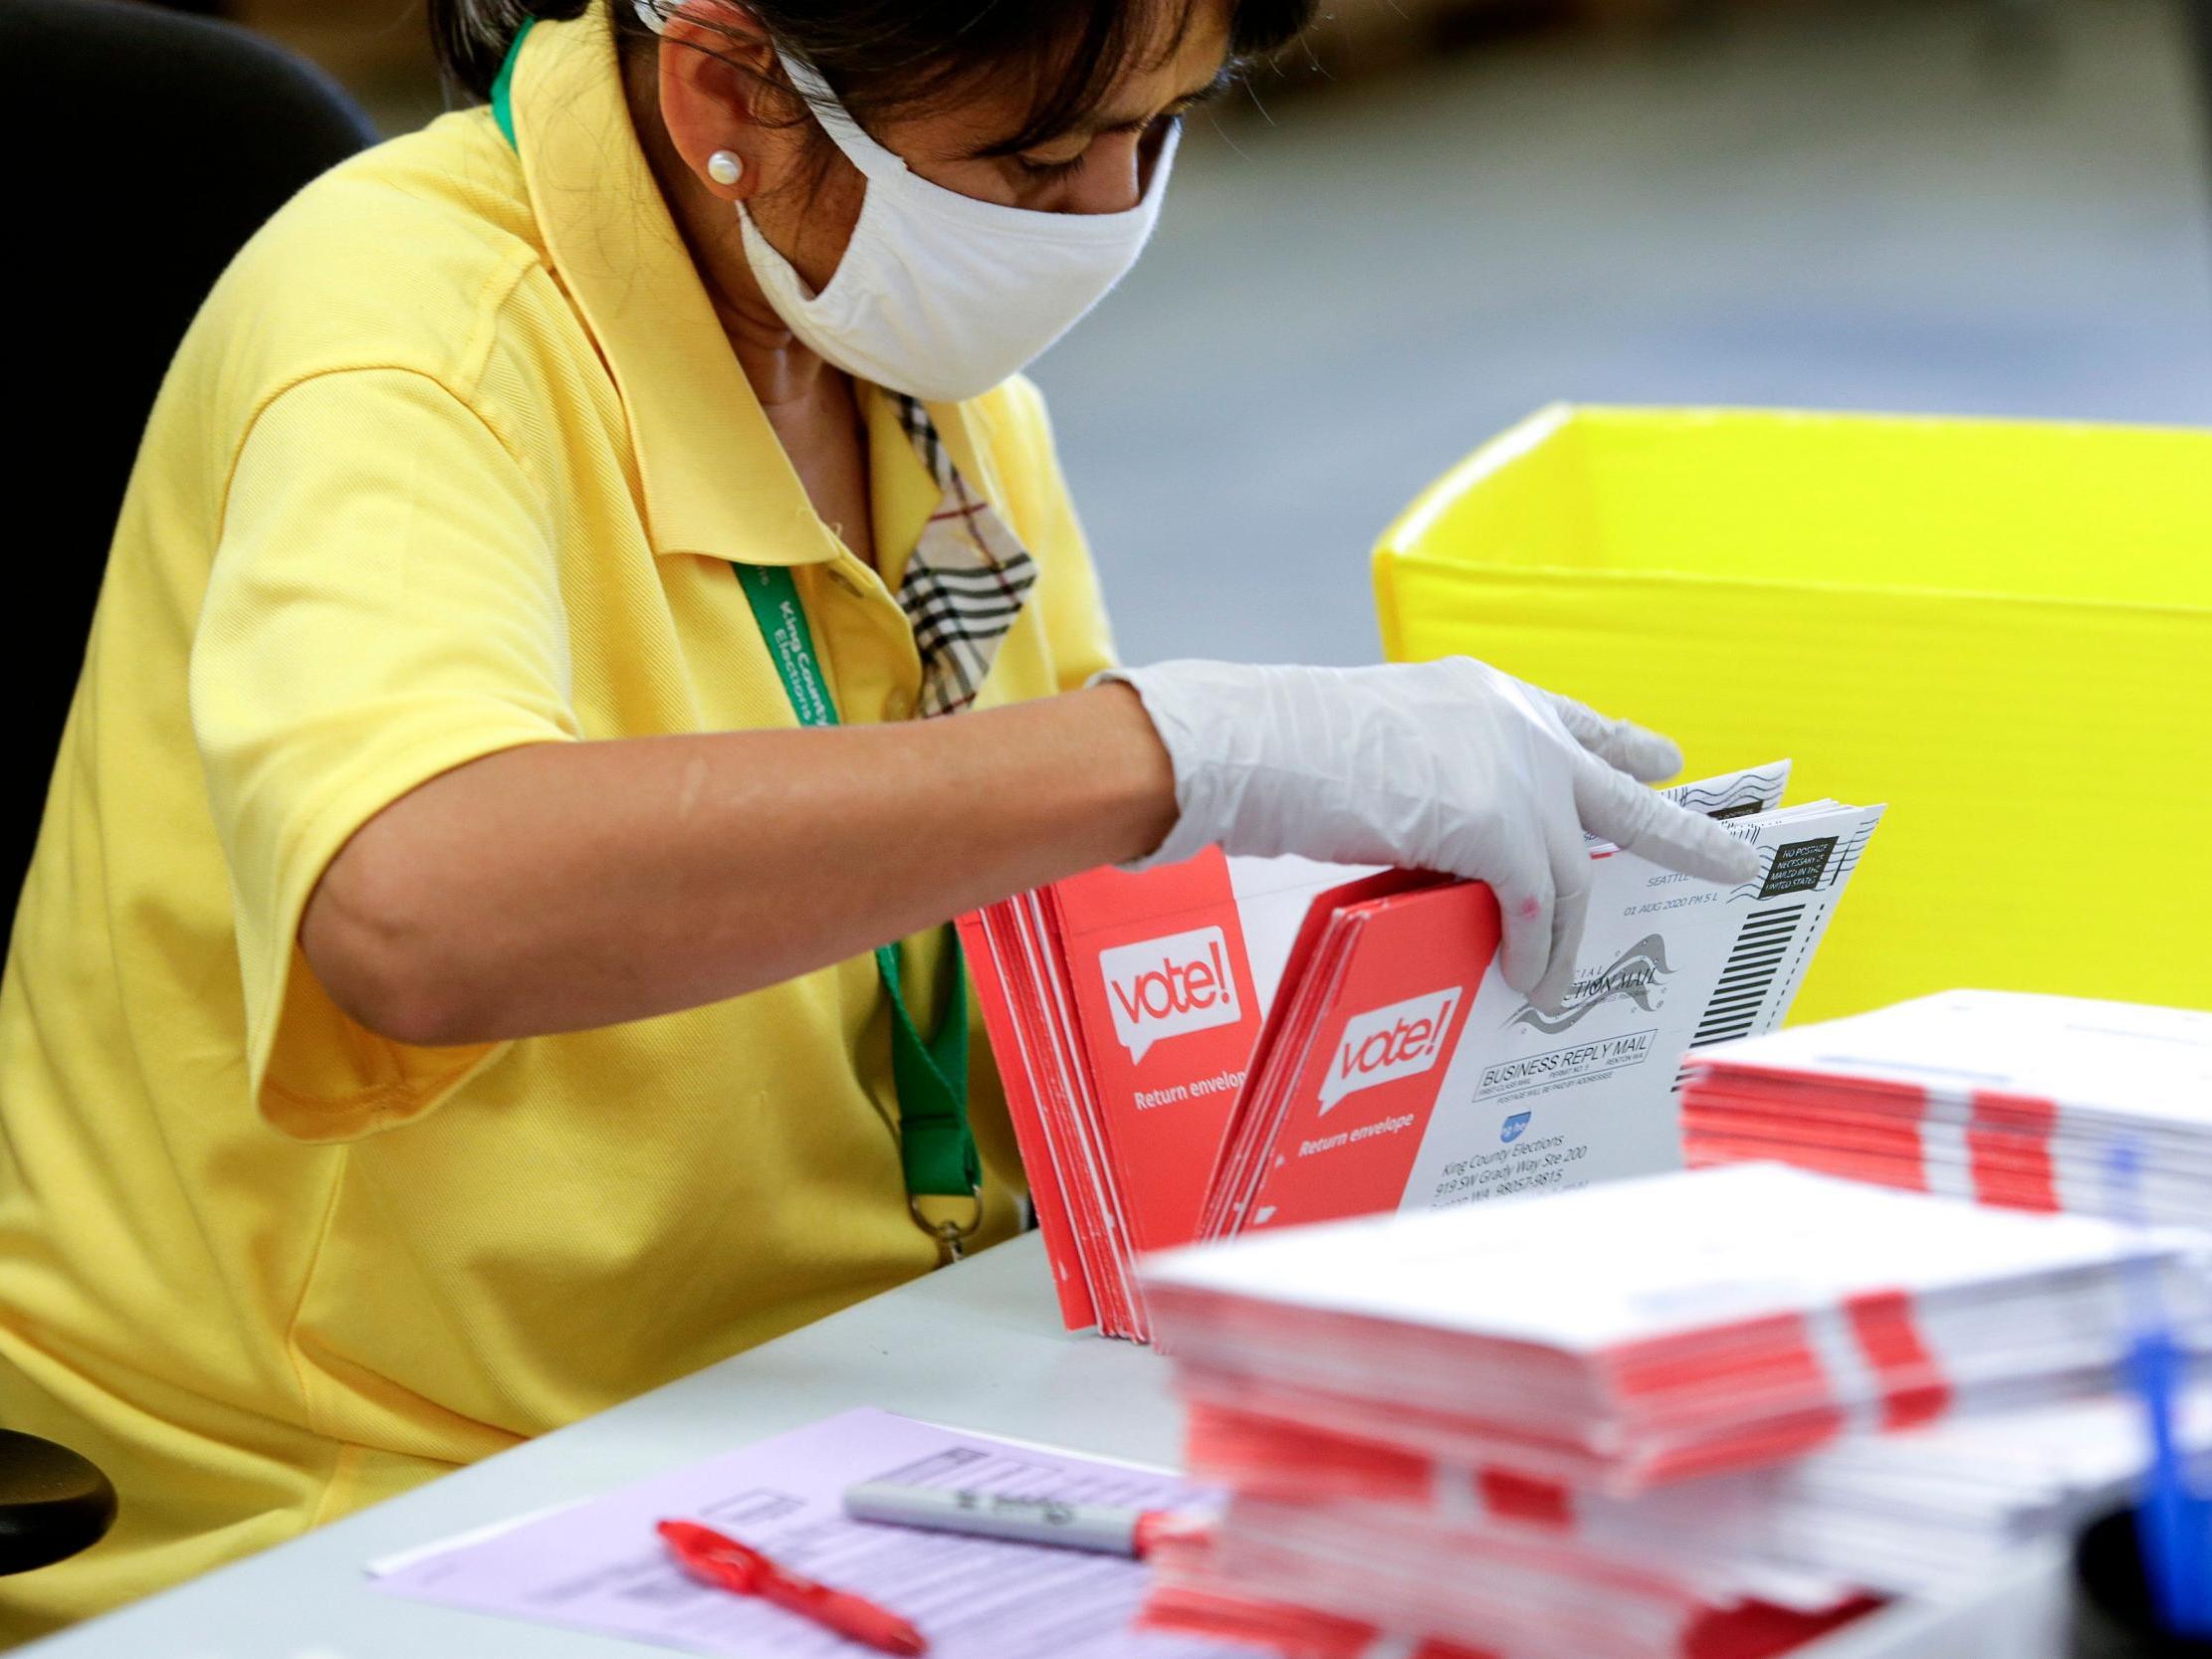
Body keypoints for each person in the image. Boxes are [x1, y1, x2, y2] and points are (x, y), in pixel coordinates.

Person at [0, 0, 1754, 1636]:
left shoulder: (907, 361)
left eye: (1157, 132)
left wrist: (1405, 1036)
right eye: (1027, 163)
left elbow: (1030, 917)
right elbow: (416, 906)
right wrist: (1173, 751)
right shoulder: (407, 338)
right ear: (728, 93)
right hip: (396, 1479)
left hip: (841, 1403)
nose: (1100, 218)